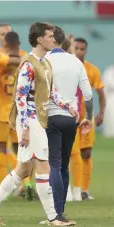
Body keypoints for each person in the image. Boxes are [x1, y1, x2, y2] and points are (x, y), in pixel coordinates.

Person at [0, 22, 77, 226]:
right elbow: (21, 98)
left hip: (36, 119)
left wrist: (68, 107)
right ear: (40, 39)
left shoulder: (45, 63)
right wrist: (24, 127)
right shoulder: (28, 64)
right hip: (31, 120)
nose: (54, 39)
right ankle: (54, 217)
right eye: (50, 36)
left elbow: (50, 92)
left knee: (23, 170)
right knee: (43, 166)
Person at [45, 25, 93, 223]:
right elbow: (88, 95)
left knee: (53, 165)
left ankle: (54, 213)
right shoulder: (76, 62)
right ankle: (61, 212)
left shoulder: (44, 60)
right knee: (64, 164)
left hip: (50, 117)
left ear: (52, 40)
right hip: (71, 118)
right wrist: (88, 116)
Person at [0, 31, 33, 198]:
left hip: (2, 111)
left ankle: (5, 187)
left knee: (0, 149)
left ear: (5, 43)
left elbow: (4, 61)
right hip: (20, 112)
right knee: (22, 150)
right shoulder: (27, 57)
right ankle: (27, 184)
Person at [74, 37, 106, 200]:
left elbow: (101, 93)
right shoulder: (68, 68)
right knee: (68, 154)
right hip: (69, 117)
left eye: (81, 49)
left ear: (85, 51)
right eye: (76, 48)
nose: (79, 51)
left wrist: (101, 113)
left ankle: (84, 190)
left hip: (86, 118)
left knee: (85, 153)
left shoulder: (92, 70)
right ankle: (70, 189)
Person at [102, 64, 114, 137]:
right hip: (110, 96)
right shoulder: (109, 71)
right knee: (111, 115)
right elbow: (109, 84)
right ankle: (110, 133)